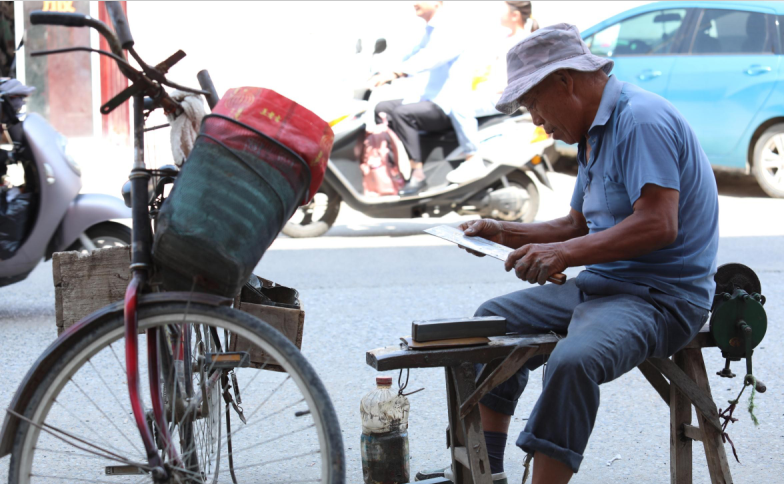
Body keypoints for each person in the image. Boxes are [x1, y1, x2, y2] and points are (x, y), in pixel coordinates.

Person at [457, 24, 718, 484]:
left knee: (573, 362)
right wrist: (502, 232)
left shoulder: (640, 120)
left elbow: (659, 222)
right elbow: (577, 225)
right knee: (489, 322)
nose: (536, 120)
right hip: (604, 286)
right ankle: (489, 472)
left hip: (662, 297)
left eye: (533, 103)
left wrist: (563, 253)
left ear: (566, 82)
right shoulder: (593, 132)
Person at [370, 1, 485, 195]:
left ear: (438, 3)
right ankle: (394, 166)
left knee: (402, 114)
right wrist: (380, 71)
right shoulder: (429, 31)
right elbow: (409, 54)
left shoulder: (451, 27)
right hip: (427, 99)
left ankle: (418, 174)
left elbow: (432, 57)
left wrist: (397, 73)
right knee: (383, 108)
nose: (414, 3)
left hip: (446, 104)